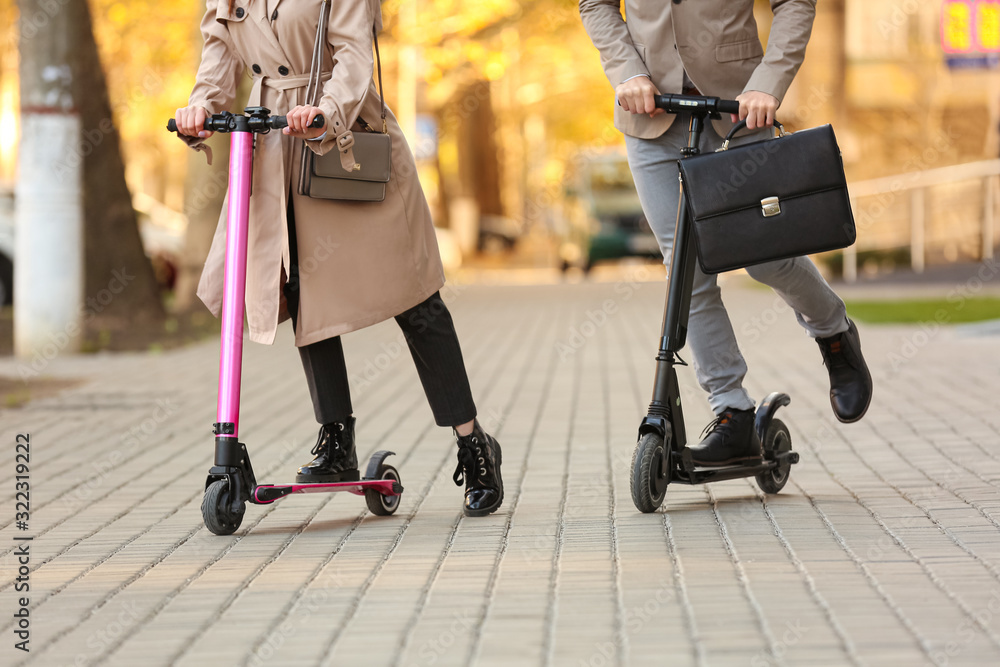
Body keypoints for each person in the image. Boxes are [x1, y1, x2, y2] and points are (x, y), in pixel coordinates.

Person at [174, 0, 503, 516]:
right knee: (306, 293)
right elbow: (217, 58)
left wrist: (326, 109)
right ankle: (337, 442)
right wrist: (200, 107)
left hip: (346, 141)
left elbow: (353, 54)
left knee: (414, 297)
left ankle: (473, 442)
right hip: (277, 142)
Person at [580, 0, 873, 466]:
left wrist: (767, 84)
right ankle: (732, 411)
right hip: (651, 113)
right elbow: (595, 3)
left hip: (741, 110)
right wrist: (625, 71)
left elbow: (794, 4)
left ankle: (833, 333)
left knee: (767, 256)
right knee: (685, 268)